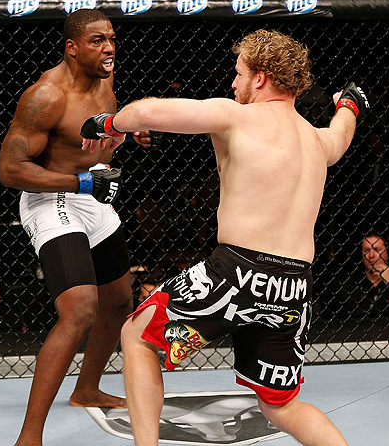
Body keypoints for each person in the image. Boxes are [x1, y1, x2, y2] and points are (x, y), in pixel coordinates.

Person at [81, 29, 365, 445]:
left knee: (139, 337)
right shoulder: (317, 140)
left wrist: (108, 122)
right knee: (280, 405)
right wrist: (349, 105)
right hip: (293, 284)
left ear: (261, 78)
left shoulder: (235, 116)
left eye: (239, 73)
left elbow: (148, 112)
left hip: (236, 271)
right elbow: (342, 134)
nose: (233, 83)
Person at [0, 8, 156, 446]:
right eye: (97, 41)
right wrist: (80, 181)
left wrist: (125, 134)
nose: (109, 48)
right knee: (80, 309)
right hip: (51, 199)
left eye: (111, 39)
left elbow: (97, 130)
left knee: (119, 300)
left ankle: (86, 389)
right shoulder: (45, 96)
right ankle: (29, 437)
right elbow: (10, 169)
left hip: (92, 196)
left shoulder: (103, 79)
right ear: (71, 47)